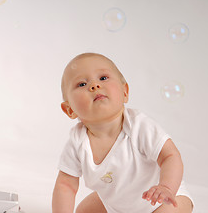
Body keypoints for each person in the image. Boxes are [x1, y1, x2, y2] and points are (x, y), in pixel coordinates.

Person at [52, 53, 193, 213]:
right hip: (115, 204)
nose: (94, 86)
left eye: (103, 78)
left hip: (162, 199)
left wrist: (166, 187)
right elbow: (66, 185)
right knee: (83, 211)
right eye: (82, 84)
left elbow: (170, 156)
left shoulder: (139, 126)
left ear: (124, 91)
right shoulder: (77, 141)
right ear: (70, 110)